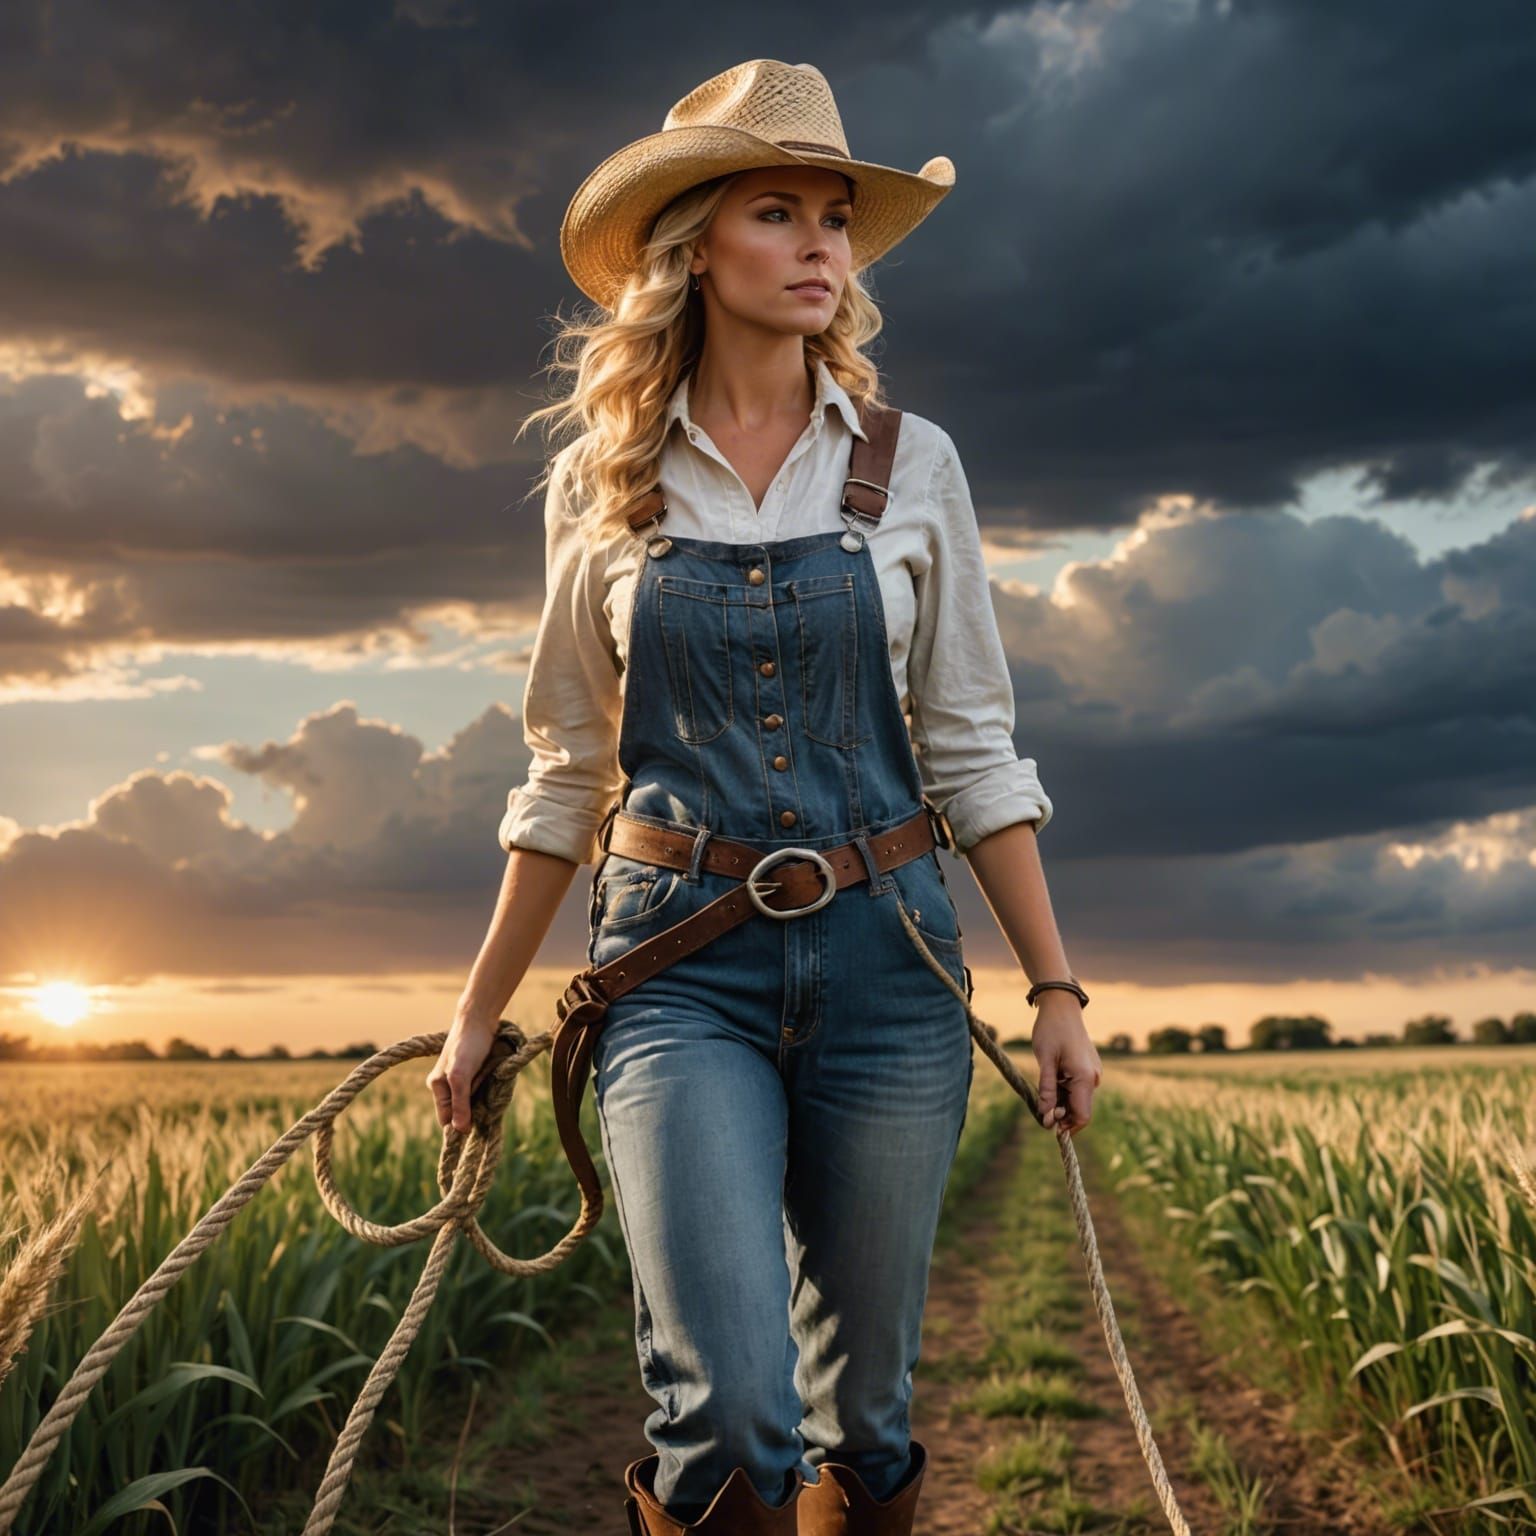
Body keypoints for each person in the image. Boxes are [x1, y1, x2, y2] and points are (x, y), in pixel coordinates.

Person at [427, 58, 1103, 1536]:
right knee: (729, 1412)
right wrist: (480, 1010)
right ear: (692, 248)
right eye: (778, 212)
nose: (820, 248)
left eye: (836, 219)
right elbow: (566, 770)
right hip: (677, 970)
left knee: (866, 1420)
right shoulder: (603, 482)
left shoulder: (913, 466)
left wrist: (1055, 991)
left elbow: (974, 750)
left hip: (891, 963)